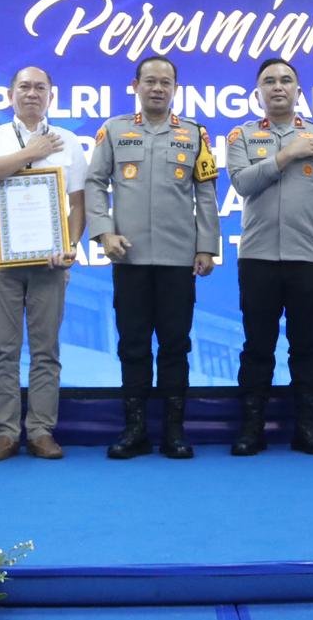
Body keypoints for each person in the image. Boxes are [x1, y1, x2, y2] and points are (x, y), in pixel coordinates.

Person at [86, 54, 220, 459]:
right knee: (133, 345)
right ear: (136, 86)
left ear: (175, 89)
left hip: (179, 259)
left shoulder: (195, 134)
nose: (158, 88)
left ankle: (174, 432)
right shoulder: (114, 130)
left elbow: (206, 194)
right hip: (130, 258)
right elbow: (95, 183)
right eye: (150, 81)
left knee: (176, 345)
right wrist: (103, 231)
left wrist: (206, 245)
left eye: (166, 82)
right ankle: (135, 430)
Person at [226, 58, 313, 456]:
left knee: (306, 345)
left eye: (286, 80)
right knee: (257, 346)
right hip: (257, 258)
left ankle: (308, 428)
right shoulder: (241, 135)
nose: (278, 86)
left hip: (309, 257)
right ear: (258, 92)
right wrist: (285, 156)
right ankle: (252, 429)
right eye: (269, 81)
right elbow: (242, 182)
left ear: (299, 90)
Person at [0, 65, 86, 461]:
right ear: (10, 94)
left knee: (46, 350)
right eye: (24, 87)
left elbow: (78, 204)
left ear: (51, 95)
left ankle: (40, 430)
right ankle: (5, 432)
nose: (32, 93)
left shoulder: (69, 141)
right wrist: (30, 153)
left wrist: (70, 246)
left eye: (40, 87)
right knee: (4, 349)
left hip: (51, 261)